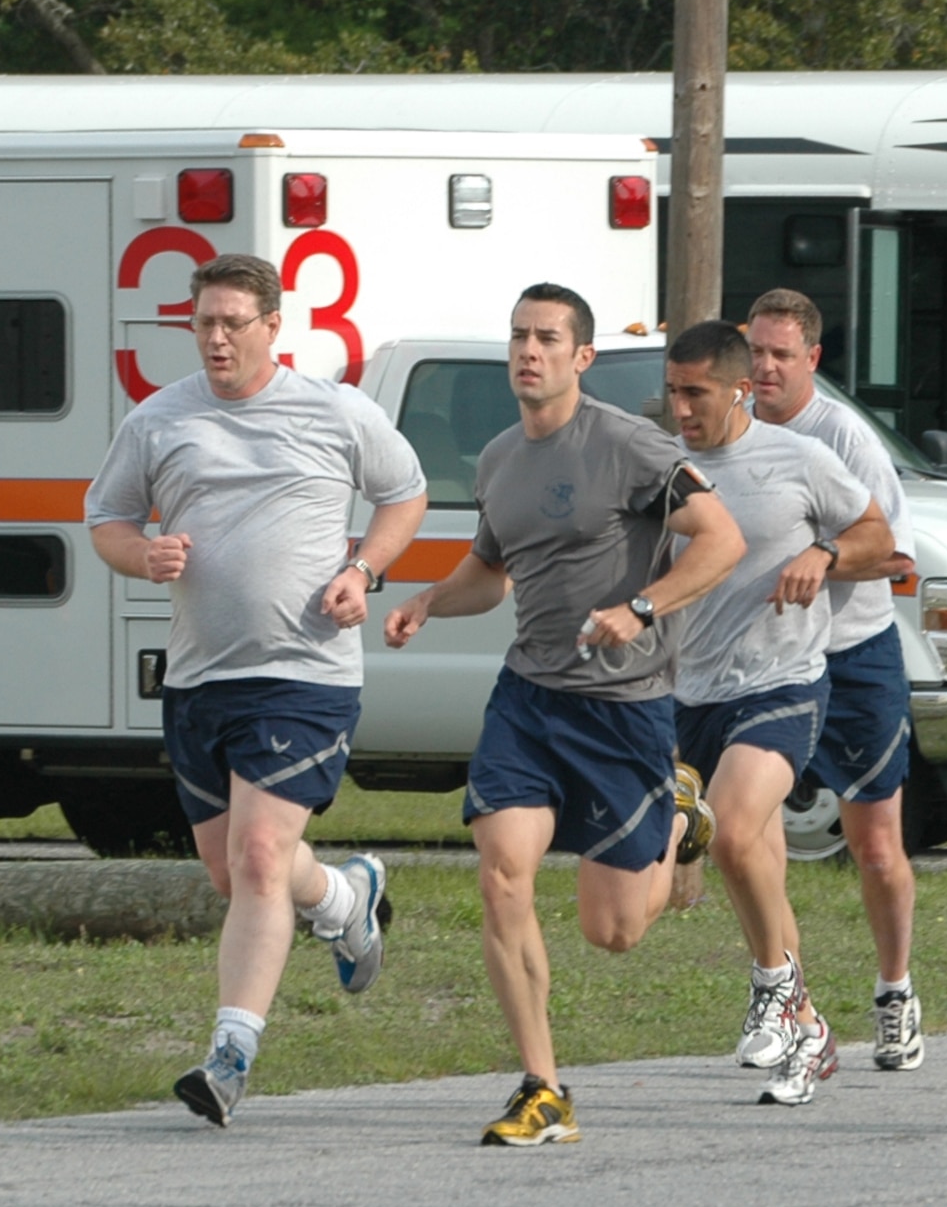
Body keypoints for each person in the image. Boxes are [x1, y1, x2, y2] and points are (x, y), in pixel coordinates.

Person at [384, 284, 744, 1146]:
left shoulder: (629, 445)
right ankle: (542, 1088)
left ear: (582, 357)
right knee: (502, 870)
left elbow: (723, 542)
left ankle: (678, 813)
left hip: (624, 710)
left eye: (548, 338)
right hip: (530, 699)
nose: (528, 351)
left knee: (612, 931)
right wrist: (430, 600)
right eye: (519, 336)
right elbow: (491, 572)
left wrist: (645, 609)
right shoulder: (500, 457)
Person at [84, 253, 428, 1127]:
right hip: (201, 678)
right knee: (234, 873)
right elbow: (107, 519)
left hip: (305, 673)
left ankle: (230, 1054)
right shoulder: (160, 420)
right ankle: (347, 900)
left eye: (234, 321)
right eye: (203, 323)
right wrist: (142, 554)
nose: (217, 337)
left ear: (275, 326)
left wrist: (364, 570)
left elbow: (405, 493)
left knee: (260, 857)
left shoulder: (336, 411)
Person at [666, 319, 894, 1106]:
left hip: (785, 681)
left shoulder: (797, 458)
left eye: (694, 392)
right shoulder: (663, 467)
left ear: (736, 388)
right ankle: (809, 1029)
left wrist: (824, 554)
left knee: (730, 824)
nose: (681, 408)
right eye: (672, 391)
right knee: (746, 859)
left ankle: (770, 987)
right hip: (691, 691)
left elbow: (879, 538)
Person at [745, 289, 926, 1072]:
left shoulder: (842, 437)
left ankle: (895, 992)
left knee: (875, 845)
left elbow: (896, 556)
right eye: (755, 352)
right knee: (754, 836)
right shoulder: (731, 434)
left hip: (854, 657)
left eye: (782, 355)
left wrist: (824, 555)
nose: (765, 368)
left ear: (812, 360)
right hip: (772, 662)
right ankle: (795, 1009)